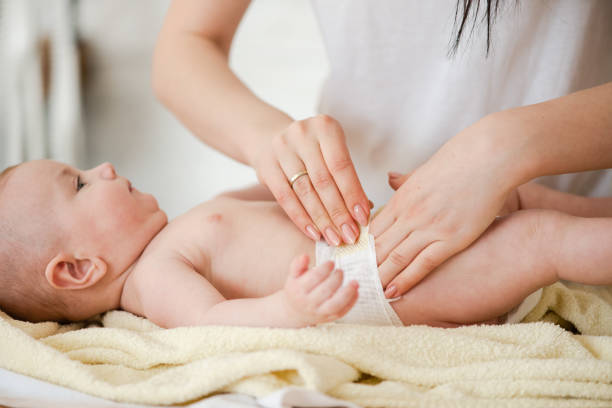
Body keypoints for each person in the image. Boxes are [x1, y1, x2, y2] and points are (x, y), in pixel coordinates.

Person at [152, 1, 612, 300]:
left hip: (580, 203)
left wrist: (506, 147)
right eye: (79, 181)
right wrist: (265, 137)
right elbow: (187, 43)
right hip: (365, 217)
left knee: (545, 239)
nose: (107, 169)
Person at [1, 159, 611, 328]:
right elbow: (211, 321)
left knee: (520, 201)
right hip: (381, 285)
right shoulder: (152, 277)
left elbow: (262, 207)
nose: (104, 167)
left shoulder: (179, 230)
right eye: (79, 184)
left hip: (384, 244)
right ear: (78, 268)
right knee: (537, 240)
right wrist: (288, 310)